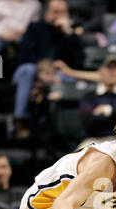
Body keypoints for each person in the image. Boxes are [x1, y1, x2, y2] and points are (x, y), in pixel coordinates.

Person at [12, 0, 84, 138]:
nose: (59, 16)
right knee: (27, 70)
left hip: (59, 74)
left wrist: (69, 34)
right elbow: (24, 56)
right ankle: (21, 120)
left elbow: (79, 62)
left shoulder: (69, 33)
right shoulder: (35, 28)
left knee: (70, 78)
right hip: (32, 71)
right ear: (46, 13)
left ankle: (60, 127)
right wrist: (44, 70)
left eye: (63, 12)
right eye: (55, 12)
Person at [78, 56, 116, 140]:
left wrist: (108, 110)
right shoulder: (89, 96)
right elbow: (88, 122)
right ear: (100, 71)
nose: (113, 72)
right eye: (109, 68)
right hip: (94, 141)